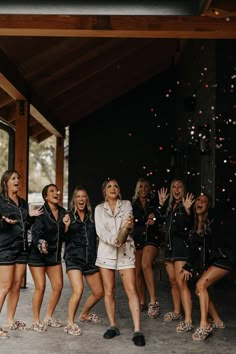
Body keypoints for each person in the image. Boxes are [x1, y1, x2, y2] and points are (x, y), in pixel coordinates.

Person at [94, 178, 145, 347]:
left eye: (116, 185)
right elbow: (100, 231)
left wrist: (121, 237)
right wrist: (114, 240)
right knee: (109, 290)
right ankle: (113, 326)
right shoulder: (99, 209)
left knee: (131, 289)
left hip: (126, 252)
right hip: (106, 252)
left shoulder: (127, 204)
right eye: (109, 186)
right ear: (104, 192)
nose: (113, 188)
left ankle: (137, 330)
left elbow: (127, 225)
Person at [182, 194, 235, 340]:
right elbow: (193, 248)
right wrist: (188, 265)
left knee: (201, 286)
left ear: (208, 206)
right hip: (212, 261)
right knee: (200, 289)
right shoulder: (193, 224)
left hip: (223, 258)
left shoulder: (213, 221)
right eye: (198, 200)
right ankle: (218, 321)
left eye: (205, 201)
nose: (200, 202)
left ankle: (204, 325)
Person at [0, 169, 43, 338]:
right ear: (6, 182)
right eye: (13, 178)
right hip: (6, 248)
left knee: (17, 285)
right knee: (4, 287)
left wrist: (31, 218)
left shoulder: (23, 203)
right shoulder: (1, 201)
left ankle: (9, 320)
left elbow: (27, 223)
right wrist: (5, 221)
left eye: (18, 178)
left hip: (22, 248)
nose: (17, 180)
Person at [28, 183, 70, 332]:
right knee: (40, 287)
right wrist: (41, 242)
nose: (56, 193)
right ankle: (35, 320)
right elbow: (36, 234)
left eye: (56, 191)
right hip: (37, 256)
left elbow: (65, 236)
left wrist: (66, 226)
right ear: (46, 196)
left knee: (58, 286)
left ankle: (48, 317)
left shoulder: (64, 212)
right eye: (52, 191)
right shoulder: (41, 211)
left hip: (54, 255)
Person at [63, 186, 104, 336]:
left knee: (99, 292)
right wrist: (65, 227)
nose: (81, 199)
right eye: (78, 196)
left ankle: (84, 314)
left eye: (84, 196)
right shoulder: (68, 217)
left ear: (87, 200)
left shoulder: (92, 217)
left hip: (90, 259)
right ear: (74, 200)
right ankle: (70, 323)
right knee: (78, 290)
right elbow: (61, 236)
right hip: (73, 258)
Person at [157, 179, 194, 333]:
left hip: (180, 248)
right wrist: (161, 205)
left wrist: (187, 211)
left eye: (180, 186)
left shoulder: (187, 205)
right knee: (173, 282)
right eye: (174, 186)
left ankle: (188, 320)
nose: (176, 189)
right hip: (169, 249)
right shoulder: (169, 207)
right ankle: (177, 312)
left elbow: (189, 228)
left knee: (181, 283)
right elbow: (158, 224)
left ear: (183, 189)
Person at [132, 178, 160, 318]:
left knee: (146, 265)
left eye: (146, 187)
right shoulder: (132, 205)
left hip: (151, 238)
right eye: (141, 186)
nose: (143, 189)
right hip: (137, 239)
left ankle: (153, 301)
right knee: (137, 271)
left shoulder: (155, 203)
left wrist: (154, 219)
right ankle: (142, 301)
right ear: (137, 189)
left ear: (149, 189)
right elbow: (130, 223)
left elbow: (160, 218)